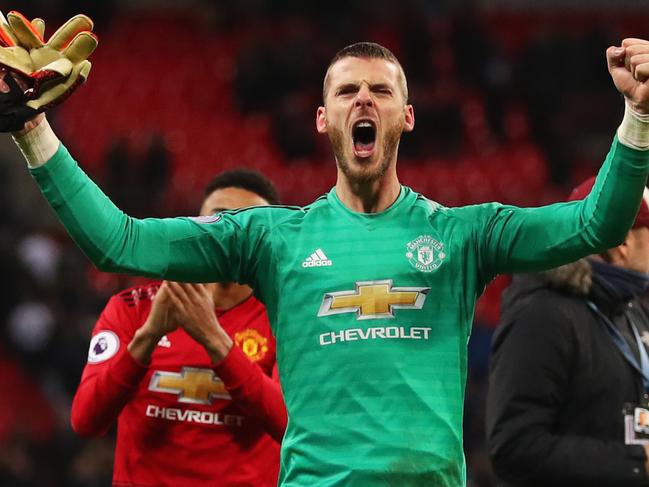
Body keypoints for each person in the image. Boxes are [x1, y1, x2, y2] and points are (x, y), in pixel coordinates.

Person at [4, 22, 649, 484]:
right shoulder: (270, 238)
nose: (363, 100)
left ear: (408, 117)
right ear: (322, 119)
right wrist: (33, 131)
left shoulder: (464, 234)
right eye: (346, 91)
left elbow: (598, 224)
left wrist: (638, 118)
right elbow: (117, 239)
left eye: (380, 90)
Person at [70, 169, 287, 487]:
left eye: (247, 224)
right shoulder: (134, 308)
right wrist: (147, 337)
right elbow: (86, 420)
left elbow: (288, 424)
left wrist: (214, 340)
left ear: (267, 237)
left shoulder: (284, 315)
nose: (230, 233)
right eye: (219, 219)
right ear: (196, 227)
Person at [486, 177, 649, 487]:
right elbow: (513, 447)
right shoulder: (541, 315)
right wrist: (635, 463)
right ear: (622, 243)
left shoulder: (632, 311)